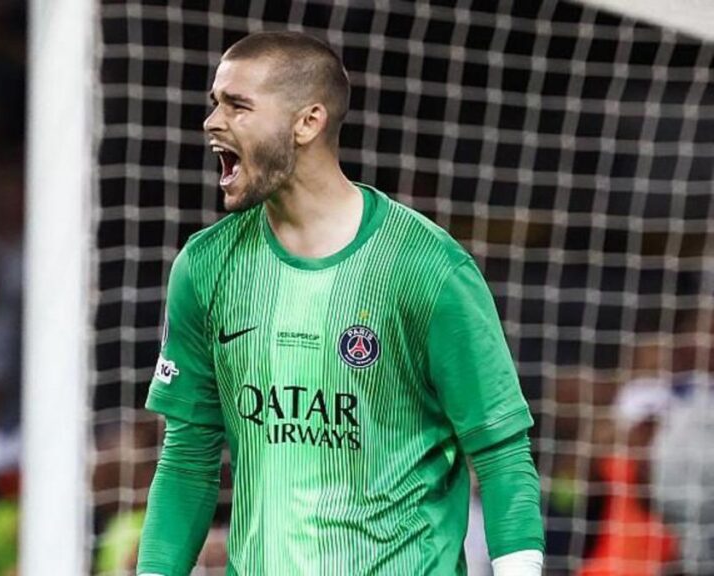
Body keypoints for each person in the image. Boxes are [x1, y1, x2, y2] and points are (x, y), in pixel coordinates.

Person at [136, 31, 544, 575]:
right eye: (215, 103)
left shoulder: (426, 268)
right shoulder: (205, 267)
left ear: (308, 121)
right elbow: (187, 460)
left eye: (237, 105)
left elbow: (501, 456)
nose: (212, 122)